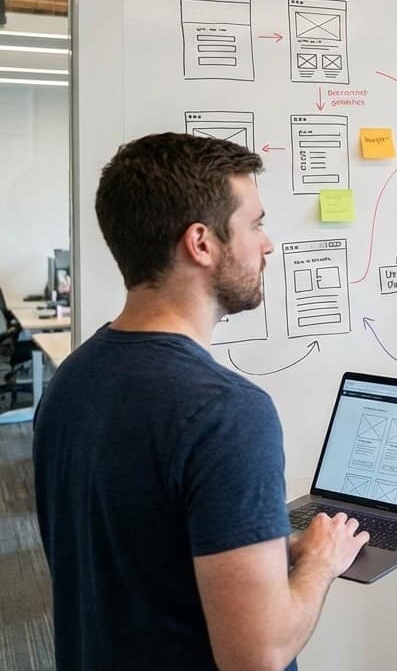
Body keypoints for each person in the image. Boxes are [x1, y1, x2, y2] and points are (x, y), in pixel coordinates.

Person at [33, 133, 368, 670]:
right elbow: (257, 655)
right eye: (255, 224)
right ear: (202, 243)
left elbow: (143, 558)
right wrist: (320, 563)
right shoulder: (227, 413)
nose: (268, 244)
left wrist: (269, 551)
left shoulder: (72, 379)